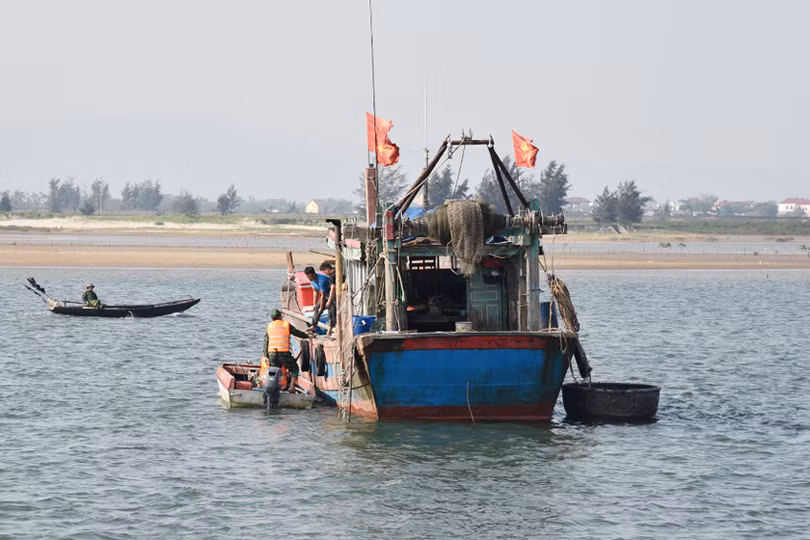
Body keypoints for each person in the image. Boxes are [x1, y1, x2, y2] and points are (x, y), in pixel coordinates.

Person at [263, 308, 310, 392]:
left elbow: (266, 342)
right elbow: (297, 333)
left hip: (272, 354)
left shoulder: (269, 326)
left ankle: (275, 389)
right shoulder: (286, 324)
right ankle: (291, 387)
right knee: (294, 368)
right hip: (284, 353)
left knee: (275, 371)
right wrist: (307, 336)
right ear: (280, 316)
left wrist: (265, 356)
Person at [304, 265, 331, 333]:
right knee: (316, 308)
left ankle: (330, 329)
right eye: (308, 277)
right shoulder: (312, 280)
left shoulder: (321, 280)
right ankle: (314, 326)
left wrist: (321, 308)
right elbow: (315, 291)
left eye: (310, 277)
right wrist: (314, 304)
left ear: (314, 274)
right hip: (325, 296)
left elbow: (323, 295)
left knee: (329, 312)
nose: (309, 278)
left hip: (332, 296)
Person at [315, 262, 337, 336]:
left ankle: (331, 332)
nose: (324, 273)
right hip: (336, 296)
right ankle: (329, 331)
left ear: (327, 269)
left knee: (332, 314)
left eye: (324, 271)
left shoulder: (332, 276)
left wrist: (329, 301)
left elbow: (333, 289)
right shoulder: (337, 272)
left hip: (335, 297)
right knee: (332, 314)